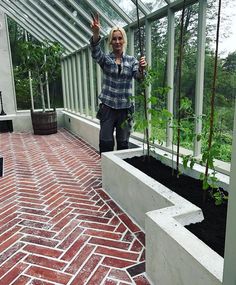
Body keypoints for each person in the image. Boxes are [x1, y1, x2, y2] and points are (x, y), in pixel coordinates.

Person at [90, 13, 147, 154]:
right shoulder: (106, 60)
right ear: (110, 42)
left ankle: (120, 173)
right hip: (108, 108)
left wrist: (142, 68)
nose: (117, 41)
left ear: (124, 41)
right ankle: (107, 171)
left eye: (119, 38)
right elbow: (95, 52)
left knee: (123, 144)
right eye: (114, 39)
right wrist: (96, 33)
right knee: (106, 143)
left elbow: (139, 77)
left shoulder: (131, 61)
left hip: (125, 109)